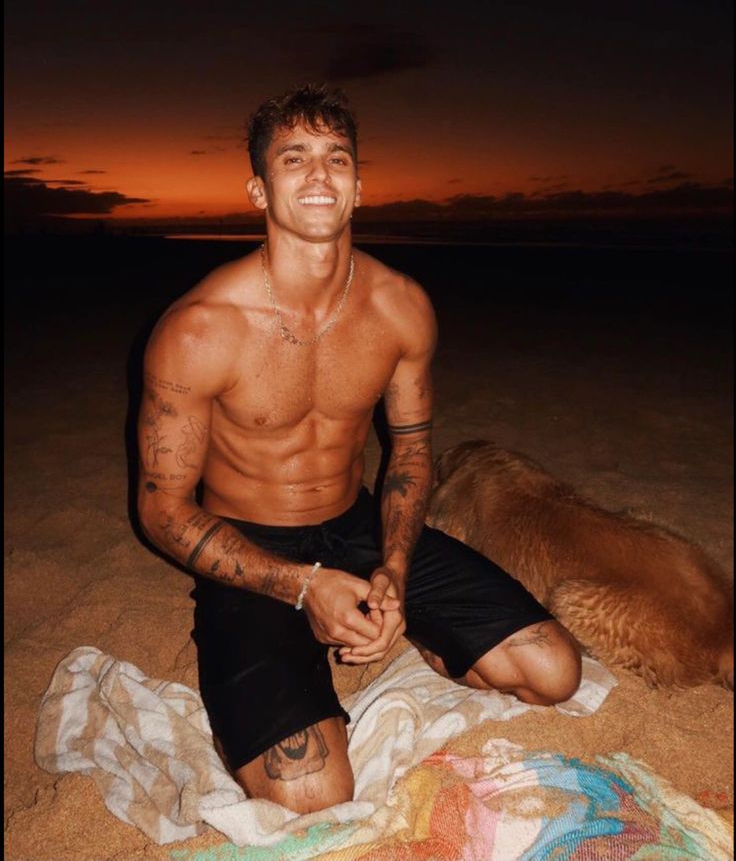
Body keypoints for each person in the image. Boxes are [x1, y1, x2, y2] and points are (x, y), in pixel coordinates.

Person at [137, 84, 581, 814]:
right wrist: (303, 588)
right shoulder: (199, 328)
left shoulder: (400, 306)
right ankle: (268, 679)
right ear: (258, 188)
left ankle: (410, 635)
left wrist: (394, 570)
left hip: (355, 524)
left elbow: (409, 450)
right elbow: (159, 510)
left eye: (336, 158)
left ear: (359, 185)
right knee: (313, 793)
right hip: (249, 549)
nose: (319, 175)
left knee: (555, 672)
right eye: (295, 158)